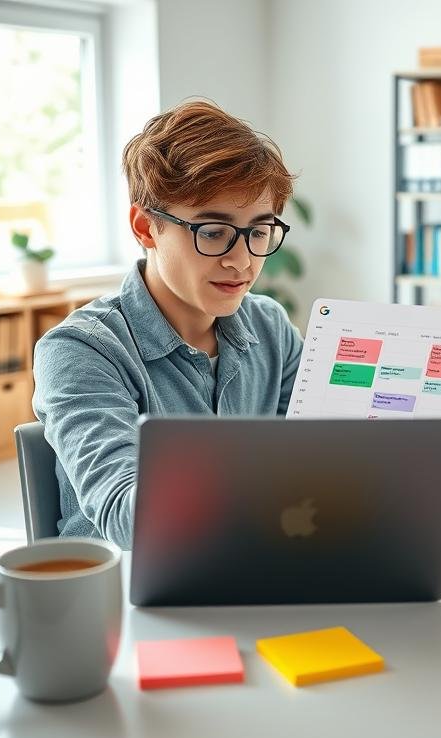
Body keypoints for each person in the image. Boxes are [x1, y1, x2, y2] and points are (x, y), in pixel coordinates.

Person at [33, 101, 302, 548]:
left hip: (249, 558)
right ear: (145, 227)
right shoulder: (80, 351)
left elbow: (314, 464)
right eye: (213, 232)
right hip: (130, 580)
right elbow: (127, 517)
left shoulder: (270, 326)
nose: (242, 261)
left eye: (258, 232)